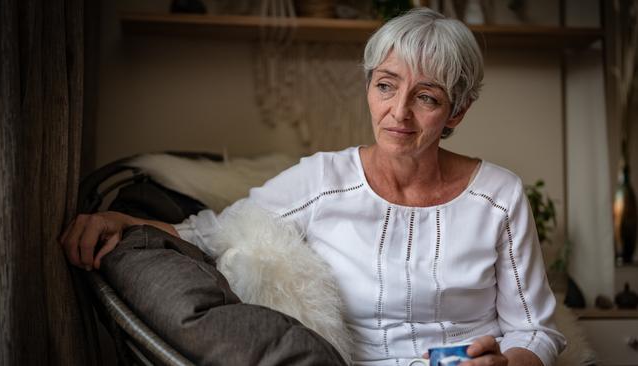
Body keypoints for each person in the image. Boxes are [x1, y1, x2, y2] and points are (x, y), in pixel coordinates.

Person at [60, 8, 565, 366]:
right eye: (386, 85)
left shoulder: (499, 195)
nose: (398, 112)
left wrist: (512, 363)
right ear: (369, 86)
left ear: (456, 111)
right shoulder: (324, 180)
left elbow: (536, 328)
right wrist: (120, 221)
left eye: (426, 97)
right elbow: (213, 232)